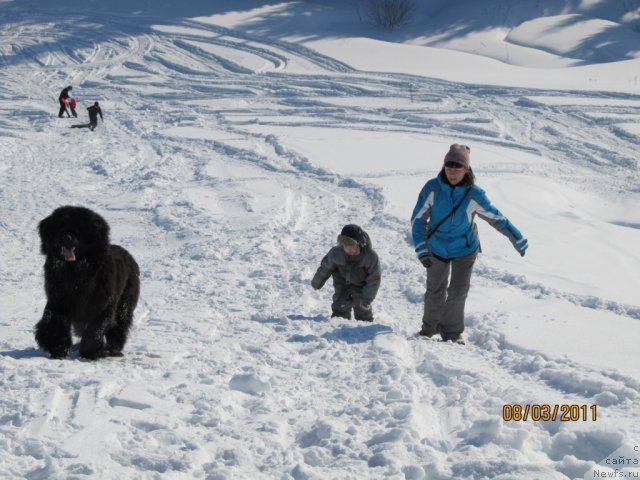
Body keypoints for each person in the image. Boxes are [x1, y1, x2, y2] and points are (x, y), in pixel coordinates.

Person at [410, 144, 528, 344]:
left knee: (458, 290)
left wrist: (516, 237)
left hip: (464, 248)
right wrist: (422, 249)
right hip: (436, 246)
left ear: (466, 169)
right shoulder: (433, 188)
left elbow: (496, 218)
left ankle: (452, 334)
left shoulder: (474, 194)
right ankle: (429, 329)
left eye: (458, 168)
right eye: (449, 167)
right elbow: (417, 219)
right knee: (435, 290)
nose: (452, 172)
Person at [312, 224, 381, 321]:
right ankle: (339, 323)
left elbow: (374, 279)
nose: (349, 249)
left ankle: (365, 324)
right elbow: (325, 268)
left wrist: (367, 299)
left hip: (361, 285)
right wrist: (317, 282)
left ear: (360, 244)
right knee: (340, 304)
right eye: (346, 246)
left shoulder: (370, 257)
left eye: (352, 246)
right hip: (342, 282)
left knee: (362, 306)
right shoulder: (336, 253)